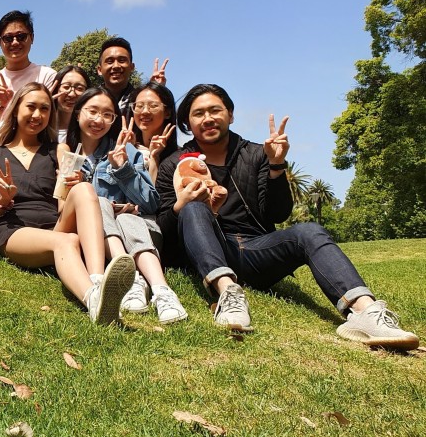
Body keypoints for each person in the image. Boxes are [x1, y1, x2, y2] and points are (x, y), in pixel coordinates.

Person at [155, 84, 419, 349]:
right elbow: (165, 230)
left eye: (215, 110)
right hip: (211, 250)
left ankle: (365, 312)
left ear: (231, 114)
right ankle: (228, 294)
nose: (208, 118)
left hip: (256, 249)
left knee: (309, 231)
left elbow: (278, 213)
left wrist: (276, 167)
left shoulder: (258, 154)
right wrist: (182, 204)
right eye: (198, 113)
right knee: (192, 207)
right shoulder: (175, 165)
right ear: (187, 122)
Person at [0, 83, 136, 324]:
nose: (37, 115)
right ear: (16, 109)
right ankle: (94, 302)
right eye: (31, 107)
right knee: (67, 241)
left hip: (55, 224)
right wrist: (4, 202)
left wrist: (73, 185)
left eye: (44, 109)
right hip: (14, 230)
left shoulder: (59, 150)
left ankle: (96, 278)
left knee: (84, 189)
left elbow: (63, 206)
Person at [63, 89, 188, 324]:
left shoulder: (127, 150)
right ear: (78, 113)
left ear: (114, 120)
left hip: (138, 229)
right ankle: (131, 278)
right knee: (99, 203)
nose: (98, 120)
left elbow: (151, 202)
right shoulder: (65, 152)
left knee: (127, 219)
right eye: (92, 111)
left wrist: (122, 169)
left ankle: (161, 291)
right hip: (97, 237)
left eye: (107, 114)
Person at [0, 10, 57, 140]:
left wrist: (10, 105)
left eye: (21, 36)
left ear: (32, 38)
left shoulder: (48, 76)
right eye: (8, 38)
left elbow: (50, 122)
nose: (14, 42)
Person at [95, 36, 168, 119]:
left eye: (122, 60)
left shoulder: (139, 100)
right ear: (99, 70)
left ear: (132, 67)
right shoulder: (89, 100)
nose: (116, 66)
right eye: (110, 61)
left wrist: (156, 91)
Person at [127, 82, 178, 183]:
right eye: (139, 106)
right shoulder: (125, 149)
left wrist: (155, 157)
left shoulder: (179, 157)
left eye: (153, 106)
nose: (145, 111)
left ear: (167, 112)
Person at [50, 65, 91, 143]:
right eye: (66, 87)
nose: (72, 94)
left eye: (79, 88)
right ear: (56, 89)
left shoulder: (91, 131)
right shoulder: (42, 127)